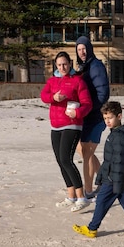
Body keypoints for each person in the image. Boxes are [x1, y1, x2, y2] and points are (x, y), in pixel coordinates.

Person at [73, 101, 124, 239]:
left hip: (115, 178)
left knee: (102, 201)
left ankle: (92, 229)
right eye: (105, 118)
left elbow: (120, 161)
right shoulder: (115, 134)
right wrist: (102, 175)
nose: (107, 121)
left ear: (119, 116)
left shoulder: (119, 137)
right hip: (114, 177)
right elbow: (110, 160)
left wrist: (115, 181)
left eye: (110, 118)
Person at [41, 51, 93, 212]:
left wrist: (77, 113)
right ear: (55, 66)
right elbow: (43, 96)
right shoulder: (52, 81)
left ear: (70, 64)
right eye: (59, 65)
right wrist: (53, 98)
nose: (62, 67)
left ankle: (81, 197)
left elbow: (87, 104)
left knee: (66, 159)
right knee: (60, 161)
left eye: (65, 64)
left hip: (72, 124)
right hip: (55, 125)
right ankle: (71, 196)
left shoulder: (78, 81)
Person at [75, 36, 110, 200]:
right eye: (79, 49)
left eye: (84, 48)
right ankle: (105, 180)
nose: (82, 52)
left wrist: (88, 108)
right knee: (82, 150)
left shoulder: (96, 66)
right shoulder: (83, 67)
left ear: (89, 49)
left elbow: (103, 94)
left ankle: (88, 192)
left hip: (95, 116)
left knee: (87, 153)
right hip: (85, 116)